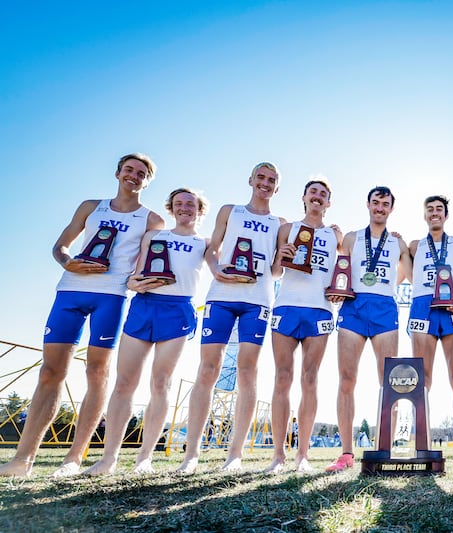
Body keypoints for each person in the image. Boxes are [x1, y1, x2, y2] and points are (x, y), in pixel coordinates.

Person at [0, 153, 164, 478]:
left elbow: (148, 262)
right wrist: (66, 261)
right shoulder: (91, 206)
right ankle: (23, 459)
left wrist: (138, 281)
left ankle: (73, 459)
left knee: (98, 373)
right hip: (70, 291)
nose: (134, 176)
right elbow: (60, 246)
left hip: (112, 297)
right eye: (129, 170)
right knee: (50, 371)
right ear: (118, 173)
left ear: (147, 181)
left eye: (141, 173)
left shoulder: (152, 220)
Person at [82, 188, 209, 475]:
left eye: (190, 204)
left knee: (161, 383)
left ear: (200, 209)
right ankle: (108, 459)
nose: (184, 208)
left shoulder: (206, 242)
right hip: (144, 306)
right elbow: (134, 274)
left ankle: (144, 459)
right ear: (171, 208)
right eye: (178, 203)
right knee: (124, 382)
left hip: (177, 310)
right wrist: (134, 284)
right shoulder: (155, 236)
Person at [177, 162, 284, 474]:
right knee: (207, 370)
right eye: (261, 178)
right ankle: (191, 455)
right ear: (250, 180)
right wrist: (216, 270)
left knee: (247, 372)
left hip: (258, 300)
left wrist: (284, 257)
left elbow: (277, 271)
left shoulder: (281, 222)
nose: (265, 183)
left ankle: (234, 454)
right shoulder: (230, 211)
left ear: (277, 188)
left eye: (272, 180)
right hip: (221, 298)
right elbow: (211, 250)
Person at [325, 186, 411, 472]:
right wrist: (336, 235)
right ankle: (346, 453)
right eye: (376, 202)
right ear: (368, 204)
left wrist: (393, 281)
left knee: (389, 382)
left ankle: (383, 448)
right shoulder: (352, 238)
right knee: (347, 379)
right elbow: (334, 258)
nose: (380, 208)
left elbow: (409, 274)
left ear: (391, 209)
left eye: (385, 204)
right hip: (354, 307)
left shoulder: (398, 243)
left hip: (385, 308)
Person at [266, 178, 342, 474]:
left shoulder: (336, 234)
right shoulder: (288, 229)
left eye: (324, 194)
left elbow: (343, 272)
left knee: (310, 379)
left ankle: (303, 455)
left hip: (320, 309)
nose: (318, 197)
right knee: (282, 378)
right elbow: (274, 273)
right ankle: (277, 455)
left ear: (329, 202)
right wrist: (279, 259)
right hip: (286, 306)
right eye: (314, 192)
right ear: (304, 198)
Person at [407, 195, 453, 468]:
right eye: (430, 210)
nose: (435, 213)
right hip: (422, 304)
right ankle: (421, 445)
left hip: (451, 307)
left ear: (446, 215)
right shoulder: (414, 246)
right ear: (424, 215)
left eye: (439, 209)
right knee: (422, 379)